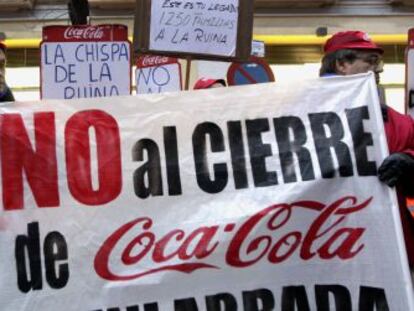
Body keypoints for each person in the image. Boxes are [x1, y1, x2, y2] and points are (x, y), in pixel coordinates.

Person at [320, 30, 414, 267]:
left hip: (389, 251)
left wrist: (409, 160)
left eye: (378, 62)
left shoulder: (397, 122)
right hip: (324, 248)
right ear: (342, 64)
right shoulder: (301, 115)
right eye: (371, 62)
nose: (379, 69)